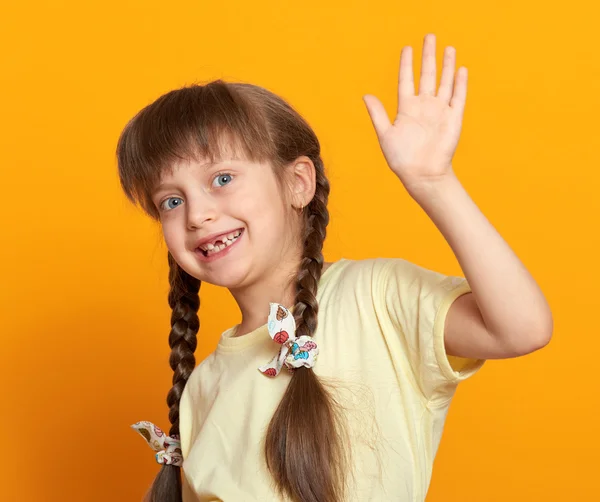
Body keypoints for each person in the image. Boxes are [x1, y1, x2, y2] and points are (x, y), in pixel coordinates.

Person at [118, 33, 553, 502]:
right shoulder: (203, 387)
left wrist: (433, 182)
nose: (197, 214)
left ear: (297, 183)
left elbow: (521, 329)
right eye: (171, 200)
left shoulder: (374, 299)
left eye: (222, 178)